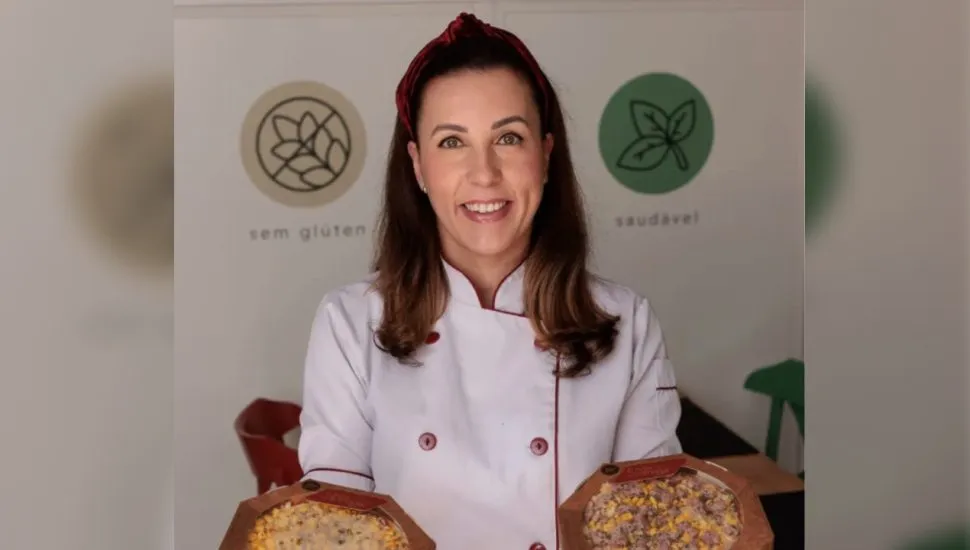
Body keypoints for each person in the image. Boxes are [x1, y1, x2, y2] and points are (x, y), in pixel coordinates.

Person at [298, 12, 682, 550]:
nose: (484, 173)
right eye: (452, 142)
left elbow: (653, 527)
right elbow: (337, 529)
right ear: (418, 166)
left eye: (508, 137)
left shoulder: (628, 323)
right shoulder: (349, 322)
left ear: (545, 155)